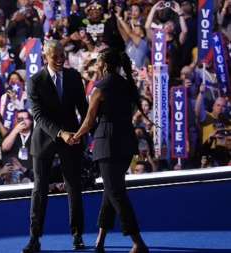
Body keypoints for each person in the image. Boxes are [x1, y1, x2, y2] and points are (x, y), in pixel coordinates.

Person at [72, 49, 148, 253]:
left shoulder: (101, 88)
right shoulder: (126, 84)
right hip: (126, 144)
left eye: (97, 62)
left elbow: (88, 121)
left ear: (104, 65)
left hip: (108, 144)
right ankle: (100, 240)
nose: (95, 65)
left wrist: (75, 137)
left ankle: (138, 242)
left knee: (115, 192)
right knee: (111, 190)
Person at [23, 39, 88, 253]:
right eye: (55, 56)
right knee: (40, 190)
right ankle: (34, 237)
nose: (60, 60)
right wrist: (61, 134)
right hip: (45, 140)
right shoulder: (35, 80)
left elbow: (83, 108)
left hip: (72, 140)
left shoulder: (73, 77)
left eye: (62, 55)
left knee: (74, 187)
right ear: (45, 57)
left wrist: (83, 133)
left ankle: (77, 234)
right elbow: (38, 116)